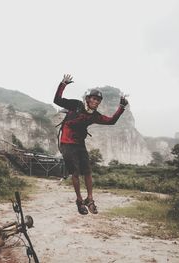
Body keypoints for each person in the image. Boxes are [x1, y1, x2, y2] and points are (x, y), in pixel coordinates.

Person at [54, 74, 128, 215]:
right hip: (67, 143)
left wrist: (121, 108)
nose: (96, 101)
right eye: (94, 98)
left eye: (98, 100)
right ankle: (79, 200)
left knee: (87, 172)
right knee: (75, 173)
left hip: (80, 144)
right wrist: (63, 84)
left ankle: (90, 199)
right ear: (88, 99)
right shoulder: (76, 105)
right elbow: (57, 100)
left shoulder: (95, 115)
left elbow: (111, 121)